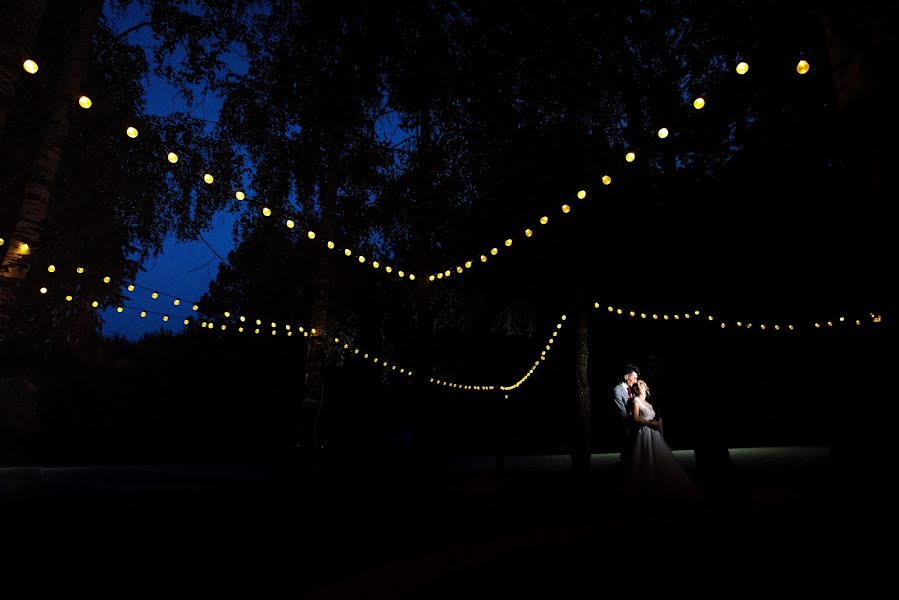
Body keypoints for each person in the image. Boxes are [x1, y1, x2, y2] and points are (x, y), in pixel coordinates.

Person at [624, 378, 700, 503]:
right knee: (645, 458)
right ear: (635, 389)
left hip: (654, 434)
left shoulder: (649, 404)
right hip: (644, 433)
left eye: (641, 385)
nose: (638, 386)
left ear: (645, 388)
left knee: (658, 459)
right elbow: (636, 418)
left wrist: (657, 423)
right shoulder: (635, 401)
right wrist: (651, 424)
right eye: (637, 385)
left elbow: (651, 417)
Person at [612, 364, 640, 465]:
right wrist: (639, 421)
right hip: (626, 429)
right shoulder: (617, 390)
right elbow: (622, 413)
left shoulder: (633, 390)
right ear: (626, 377)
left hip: (635, 428)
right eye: (634, 378)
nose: (636, 381)